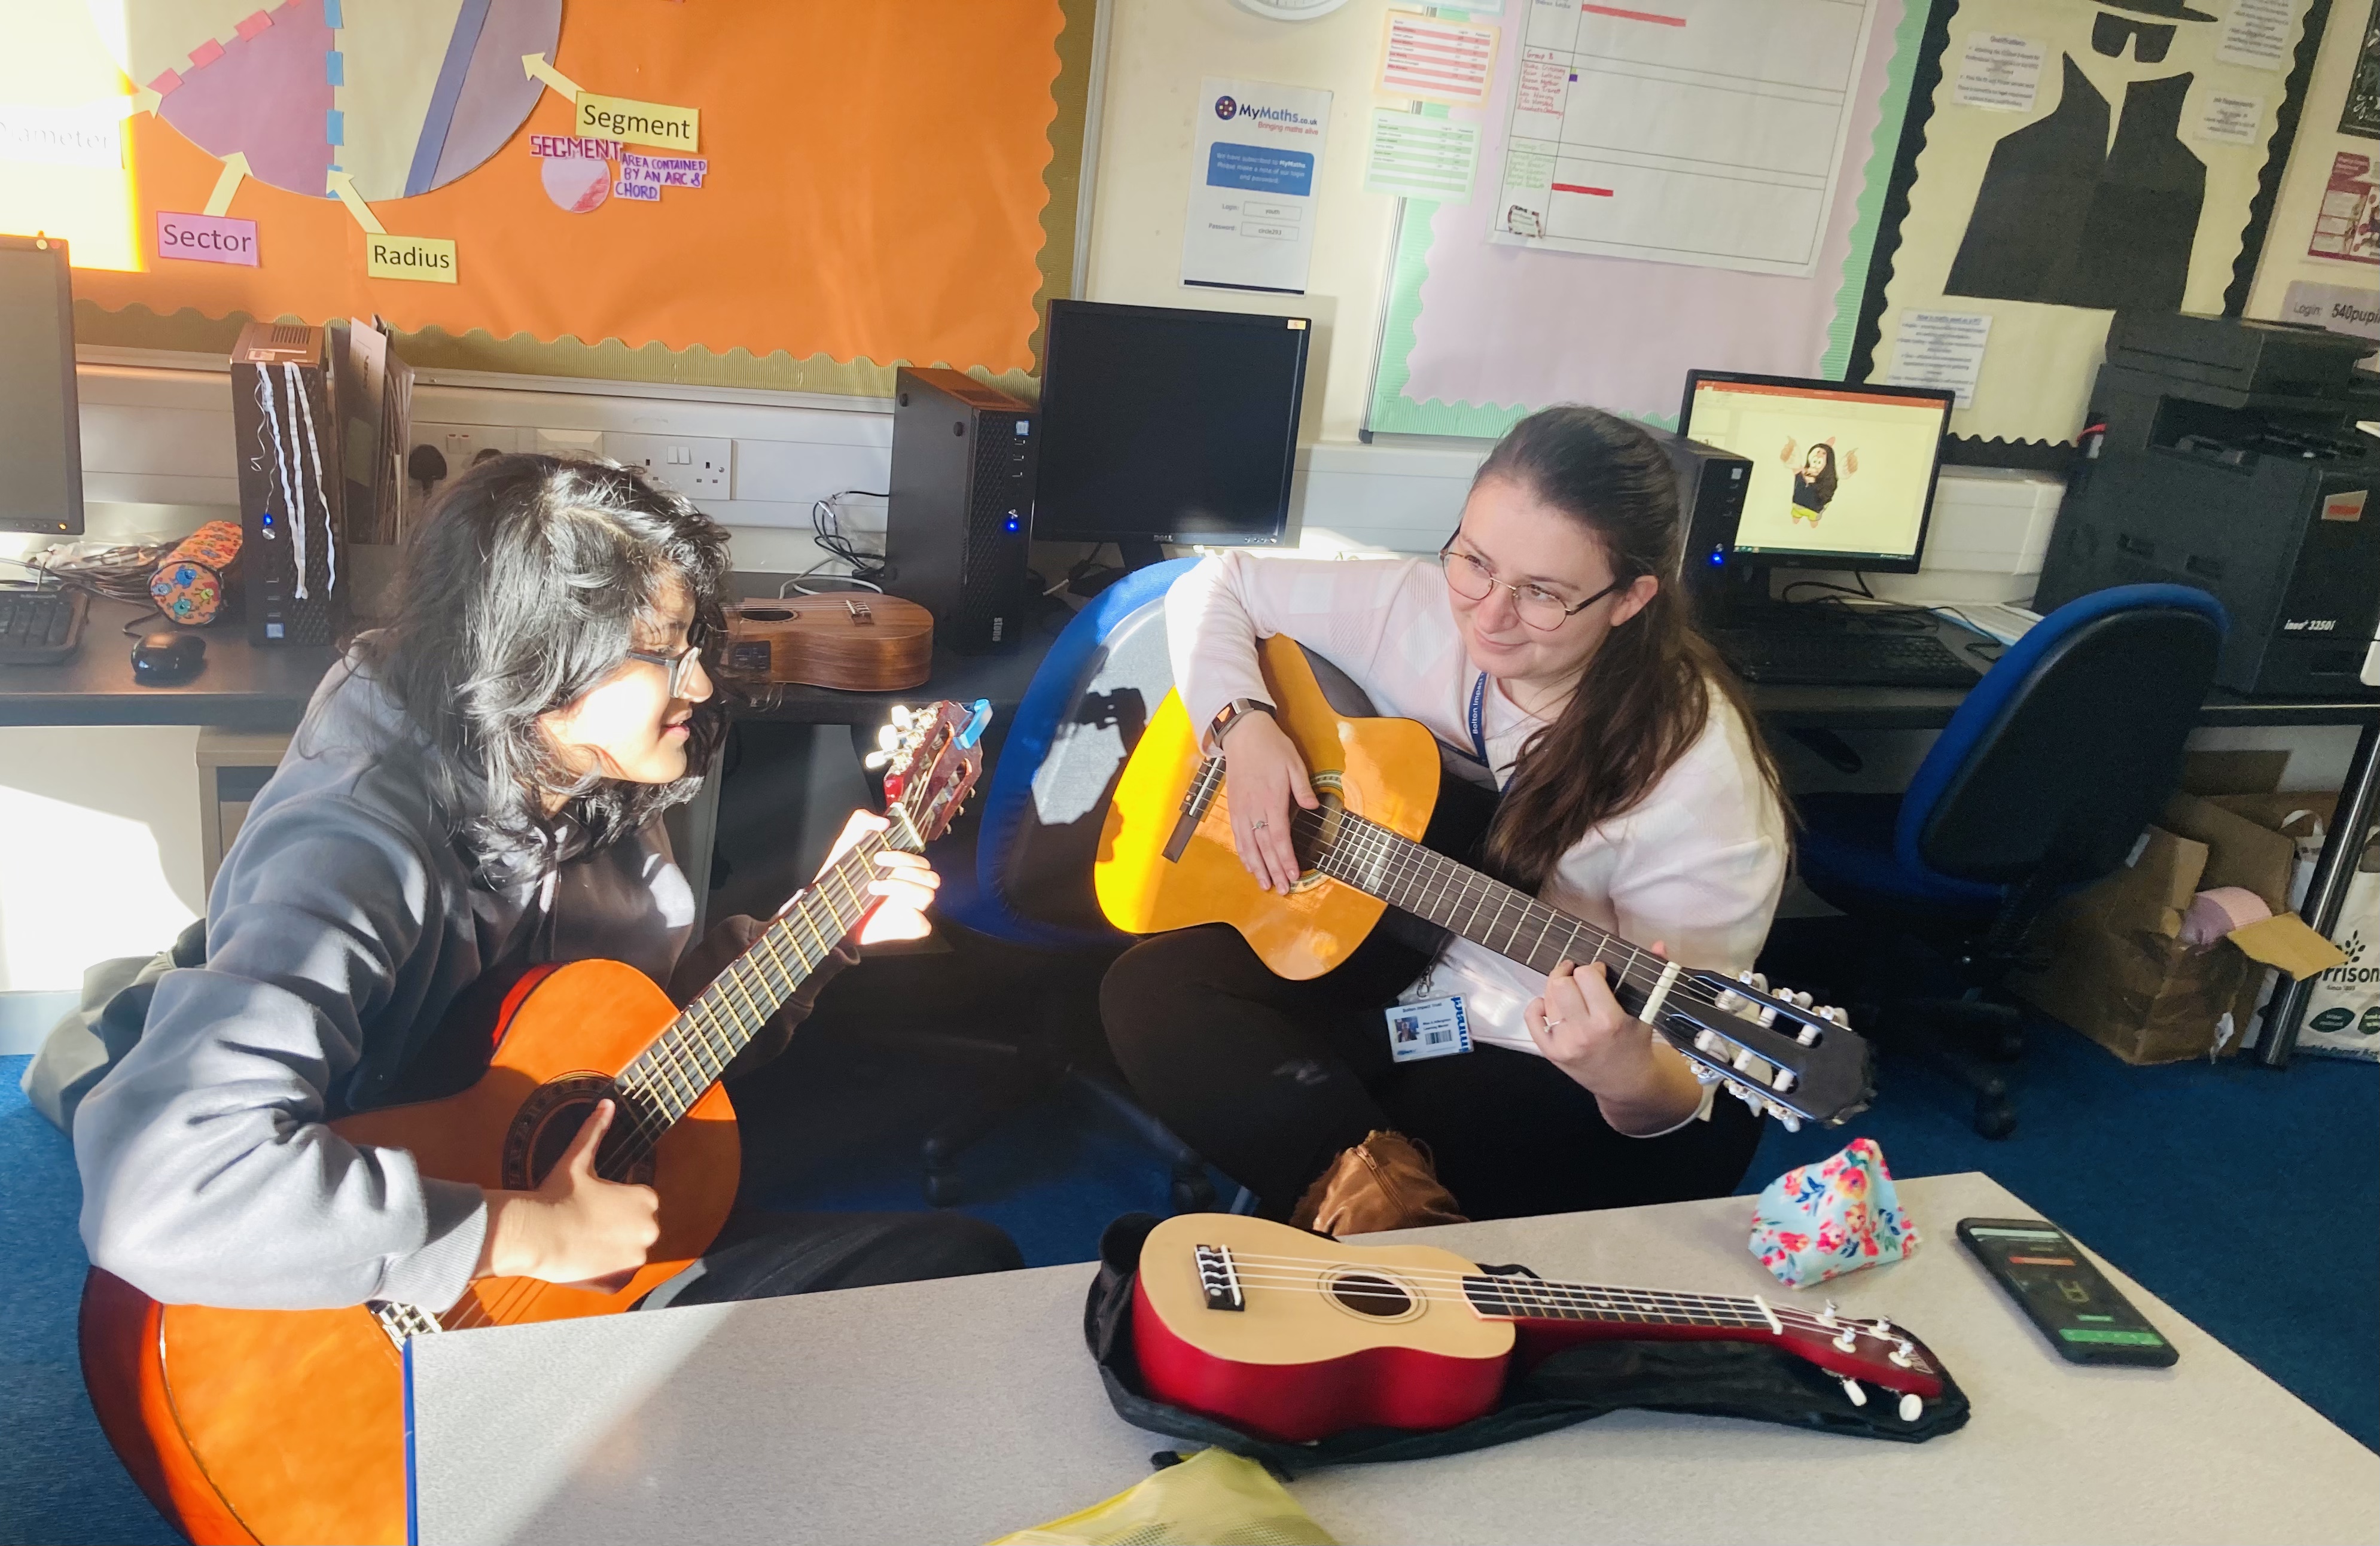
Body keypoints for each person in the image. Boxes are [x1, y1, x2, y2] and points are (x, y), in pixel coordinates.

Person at [74, 456, 1019, 1315]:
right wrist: (526, 1232)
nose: (696, 685)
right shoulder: (355, 846)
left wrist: (821, 929)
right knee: (950, 1279)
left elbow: (618, 1048)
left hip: (538, 1246)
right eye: (663, 653)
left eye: (693, 643)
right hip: (371, 1312)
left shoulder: (580, 763)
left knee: (958, 1261)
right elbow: (155, 1196)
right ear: (532, 660)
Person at [1101, 405, 1790, 1233]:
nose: (1487, 616)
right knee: (1146, 987)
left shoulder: (1696, 777)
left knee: (1471, 1129)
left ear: (1628, 599)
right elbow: (1215, 582)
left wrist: (1622, 1071)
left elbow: (1686, 1086)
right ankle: (1378, 1212)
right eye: (1473, 561)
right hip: (1385, 954)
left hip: (1529, 1046)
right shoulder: (1417, 601)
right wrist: (1240, 725)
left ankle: (1366, 1208)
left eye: (1540, 594)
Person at [1781, 437, 1857, 525]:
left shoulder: (1828, 479)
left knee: (1814, 523)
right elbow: (1794, 464)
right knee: (1795, 520)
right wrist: (1790, 455)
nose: (1819, 456)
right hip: (1798, 505)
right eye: (1818, 452)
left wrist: (1846, 467)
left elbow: (1837, 478)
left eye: (1824, 453)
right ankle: (1797, 519)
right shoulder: (1802, 471)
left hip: (1815, 510)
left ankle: (1812, 523)